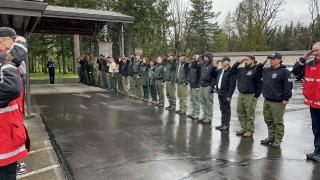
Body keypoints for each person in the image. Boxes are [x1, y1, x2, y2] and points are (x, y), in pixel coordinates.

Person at [0, 27, 30, 180]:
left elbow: (21, 70)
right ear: (3, 40)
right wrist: (8, 59)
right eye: (12, 42)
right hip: (4, 135)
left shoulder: (6, 59)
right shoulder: (2, 59)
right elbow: (11, 88)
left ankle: (16, 166)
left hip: (9, 131)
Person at [257, 53, 293, 148]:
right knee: (268, 120)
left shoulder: (284, 71)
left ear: (279, 60)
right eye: (270, 59)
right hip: (267, 99)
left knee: (277, 122)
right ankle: (271, 136)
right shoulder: (266, 70)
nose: (271, 60)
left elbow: (288, 86)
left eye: (273, 59)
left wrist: (286, 98)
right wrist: (262, 63)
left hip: (278, 101)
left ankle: (278, 139)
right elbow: (257, 72)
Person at [292, 42, 320, 162]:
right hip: (313, 103)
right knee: (317, 129)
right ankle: (317, 152)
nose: (314, 52)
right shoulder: (309, 63)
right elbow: (296, 71)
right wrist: (304, 57)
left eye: (316, 50)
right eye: (312, 50)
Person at [230, 55, 262, 137]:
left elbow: (259, 84)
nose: (245, 61)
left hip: (250, 95)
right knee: (240, 112)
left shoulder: (256, 70)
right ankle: (243, 128)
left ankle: (250, 130)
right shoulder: (241, 69)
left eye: (247, 60)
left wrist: (257, 95)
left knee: (250, 113)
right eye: (245, 60)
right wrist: (238, 62)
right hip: (241, 94)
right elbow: (232, 71)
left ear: (253, 60)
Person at [192, 52, 218, 125]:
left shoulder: (212, 66)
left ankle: (209, 117)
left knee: (208, 102)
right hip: (202, 85)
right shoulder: (203, 64)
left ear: (209, 57)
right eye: (204, 57)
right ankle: (204, 115)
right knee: (202, 101)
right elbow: (194, 66)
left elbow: (215, 77)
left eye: (206, 57)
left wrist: (212, 86)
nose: (204, 58)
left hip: (208, 85)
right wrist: (196, 59)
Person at [215, 57, 236, 131]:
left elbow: (232, 85)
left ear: (228, 62)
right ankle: (222, 123)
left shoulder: (230, 72)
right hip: (220, 92)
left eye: (223, 61)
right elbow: (216, 78)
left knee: (226, 109)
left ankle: (226, 124)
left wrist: (229, 95)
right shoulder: (221, 70)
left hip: (226, 94)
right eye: (222, 61)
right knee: (222, 109)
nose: (222, 62)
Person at [187, 55, 201, 120]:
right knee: (192, 99)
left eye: (194, 59)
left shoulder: (198, 66)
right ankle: (193, 112)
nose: (192, 60)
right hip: (191, 85)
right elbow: (189, 75)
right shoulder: (191, 66)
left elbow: (200, 76)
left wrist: (198, 85)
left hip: (196, 86)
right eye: (192, 59)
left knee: (196, 100)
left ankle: (197, 113)